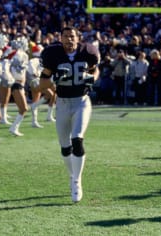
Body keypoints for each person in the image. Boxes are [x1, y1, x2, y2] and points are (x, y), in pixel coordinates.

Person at [39, 27, 100, 203]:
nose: (69, 40)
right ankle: (72, 175)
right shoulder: (52, 54)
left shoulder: (88, 51)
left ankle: (77, 181)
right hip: (63, 103)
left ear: (77, 38)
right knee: (65, 147)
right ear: (60, 38)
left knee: (77, 139)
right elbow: (42, 83)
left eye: (72, 36)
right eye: (65, 36)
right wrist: (54, 80)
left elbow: (95, 70)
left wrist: (92, 78)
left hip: (81, 101)